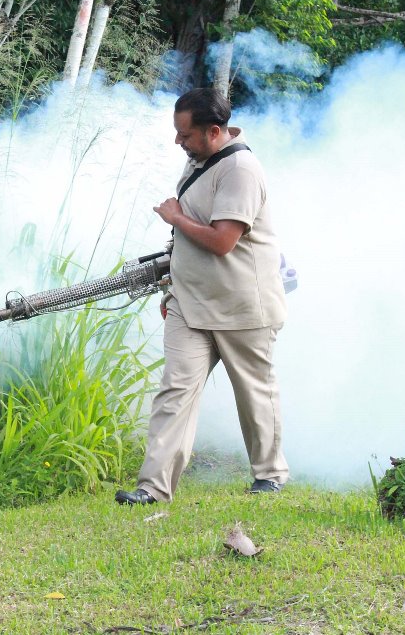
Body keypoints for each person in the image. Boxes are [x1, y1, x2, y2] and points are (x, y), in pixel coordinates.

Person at [116, 88, 289, 504]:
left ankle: (270, 475)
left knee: (254, 393)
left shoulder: (240, 170)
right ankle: (153, 487)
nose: (179, 142)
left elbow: (222, 240)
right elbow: (190, 237)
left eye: (185, 135)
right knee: (174, 391)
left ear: (214, 132)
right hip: (189, 303)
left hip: (243, 305)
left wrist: (174, 216)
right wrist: (174, 284)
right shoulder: (199, 161)